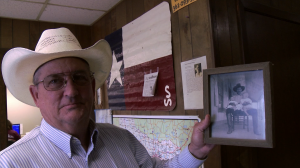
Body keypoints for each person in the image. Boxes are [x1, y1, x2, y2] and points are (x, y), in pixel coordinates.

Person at [0, 28, 214, 167]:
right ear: (36, 95)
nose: (72, 91)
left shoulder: (123, 139)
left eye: (79, 77)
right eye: (55, 81)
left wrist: (195, 151)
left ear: (92, 86)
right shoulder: (12, 163)